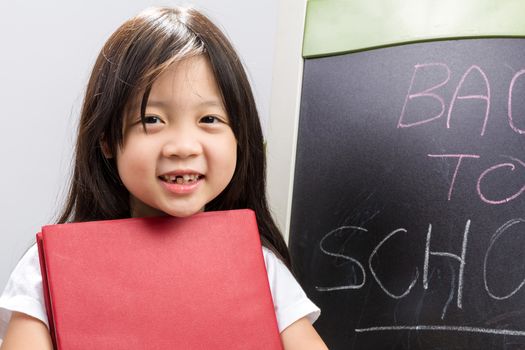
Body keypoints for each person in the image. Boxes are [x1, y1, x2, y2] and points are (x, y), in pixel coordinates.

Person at [0, 6, 328, 350]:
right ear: (107, 139)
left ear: (240, 137)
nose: (183, 146)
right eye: (152, 119)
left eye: (210, 119)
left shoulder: (261, 268)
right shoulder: (47, 269)